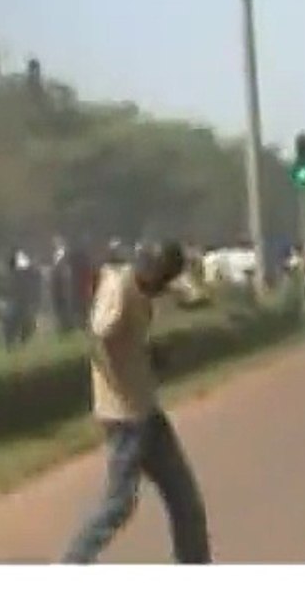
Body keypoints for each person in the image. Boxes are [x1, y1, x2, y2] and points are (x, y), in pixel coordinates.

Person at [62, 242, 210, 564]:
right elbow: (97, 338)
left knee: (184, 499)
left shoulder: (139, 288)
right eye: (162, 279)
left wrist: (147, 357)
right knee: (118, 504)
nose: (161, 288)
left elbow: (124, 341)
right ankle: (72, 562)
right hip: (125, 416)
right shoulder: (119, 289)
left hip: (144, 409)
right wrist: (115, 381)